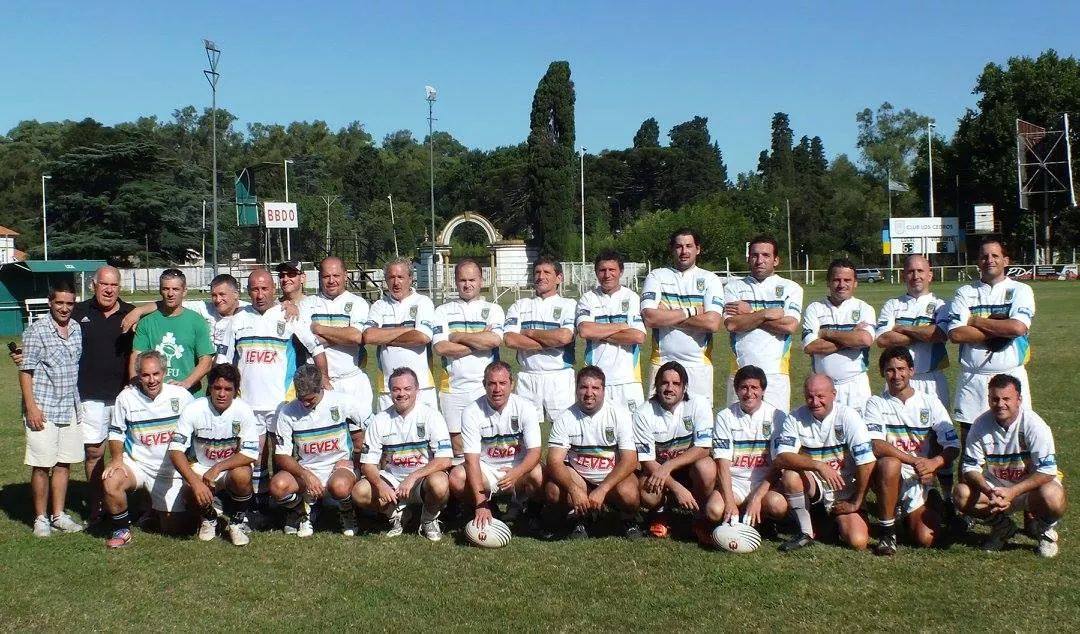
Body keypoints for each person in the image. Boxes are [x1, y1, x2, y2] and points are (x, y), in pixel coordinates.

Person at [10, 265, 135, 525]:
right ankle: (96, 507)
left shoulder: (131, 312)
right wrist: (21, 356)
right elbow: (37, 348)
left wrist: (142, 310)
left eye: (113, 285)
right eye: (103, 284)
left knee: (124, 453)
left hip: (122, 396)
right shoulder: (78, 313)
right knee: (92, 453)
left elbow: (164, 303)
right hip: (85, 398)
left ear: (119, 287)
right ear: (94, 285)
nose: (108, 289)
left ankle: (125, 503)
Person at [218, 269, 329, 494]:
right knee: (255, 457)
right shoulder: (237, 319)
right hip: (248, 402)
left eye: (264, 289)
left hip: (282, 402)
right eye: (254, 289)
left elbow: (315, 347)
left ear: (274, 289)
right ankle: (258, 504)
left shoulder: (287, 314)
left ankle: (283, 502)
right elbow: (223, 361)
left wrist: (324, 377)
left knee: (283, 456)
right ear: (247, 292)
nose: (260, 294)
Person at [953, 374, 1066, 558]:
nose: (1000, 404)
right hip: (996, 492)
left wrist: (1013, 492)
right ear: (988, 399)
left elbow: (1047, 471)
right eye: (995, 399)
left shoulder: (1034, 424)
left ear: (1019, 399)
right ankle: (1002, 527)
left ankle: (1045, 532)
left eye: (1006, 399)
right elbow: (969, 467)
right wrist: (990, 492)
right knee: (961, 493)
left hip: (1028, 490)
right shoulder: (979, 425)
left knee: (1053, 495)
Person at [864, 347, 959, 555]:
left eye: (901, 369)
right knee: (890, 463)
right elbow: (877, 445)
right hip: (892, 473)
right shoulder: (876, 403)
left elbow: (953, 446)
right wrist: (914, 461)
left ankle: (926, 504)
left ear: (912, 371)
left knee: (925, 538)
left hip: (920, 477)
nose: (896, 375)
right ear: (882, 373)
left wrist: (933, 464)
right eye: (890, 370)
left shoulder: (930, 402)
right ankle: (887, 533)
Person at [772, 374, 877, 552]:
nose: (815, 402)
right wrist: (819, 466)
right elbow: (781, 457)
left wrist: (857, 501)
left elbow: (866, 462)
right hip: (816, 490)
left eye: (821, 396)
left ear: (833, 394)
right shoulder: (795, 417)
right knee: (790, 475)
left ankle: (829, 521)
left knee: (858, 542)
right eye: (810, 396)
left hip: (844, 492)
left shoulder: (848, 416)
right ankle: (806, 532)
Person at [102, 351, 195, 548]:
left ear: (164, 372)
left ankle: (154, 511)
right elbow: (116, 432)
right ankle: (122, 529)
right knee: (111, 480)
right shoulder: (126, 397)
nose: (151, 380)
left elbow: (197, 428)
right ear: (138, 375)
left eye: (156, 374)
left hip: (170, 471)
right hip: (138, 464)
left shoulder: (181, 396)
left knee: (173, 529)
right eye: (145, 375)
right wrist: (117, 459)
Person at [353, 367, 453, 541]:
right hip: (393, 481)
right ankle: (397, 514)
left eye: (407, 389)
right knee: (359, 492)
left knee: (440, 483)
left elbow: (445, 460)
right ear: (389, 391)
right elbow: (367, 464)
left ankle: (428, 519)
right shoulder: (380, 420)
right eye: (396, 389)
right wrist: (380, 485)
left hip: (422, 479)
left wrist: (413, 477)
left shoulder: (431, 416)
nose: (401, 394)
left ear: (417, 390)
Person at [270, 365, 370, 538]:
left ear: (321, 387)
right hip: (307, 469)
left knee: (340, 486)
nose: (305, 404)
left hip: (338, 467)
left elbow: (375, 429)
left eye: (310, 399)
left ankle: (346, 512)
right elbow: (281, 455)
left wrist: (357, 460)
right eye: (301, 399)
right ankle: (303, 511)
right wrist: (305, 475)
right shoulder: (287, 412)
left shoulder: (342, 401)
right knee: (278, 487)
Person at [947, 239, 1035, 433]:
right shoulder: (964, 292)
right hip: (973, 379)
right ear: (978, 262)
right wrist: (1000, 330)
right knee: (970, 444)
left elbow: (1017, 328)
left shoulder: (1021, 290)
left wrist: (976, 321)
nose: (989, 260)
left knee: (1015, 444)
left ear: (1006, 260)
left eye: (995, 255)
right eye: (984, 256)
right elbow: (956, 334)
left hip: (1011, 376)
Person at [18, 282, 85, 536]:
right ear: (50, 302)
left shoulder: (77, 329)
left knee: (63, 464)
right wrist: (31, 407)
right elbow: (26, 371)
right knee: (41, 464)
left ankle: (58, 514)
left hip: (70, 407)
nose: (64, 308)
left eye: (69, 303)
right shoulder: (37, 330)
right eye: (60, 303)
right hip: (43, 407)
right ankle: (40, 518)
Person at [544, 366, 641, 539]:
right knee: (554, 490)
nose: (589, 393)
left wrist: (603, 489)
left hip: (611, 478)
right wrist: (574, 490)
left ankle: (627, 519)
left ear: (604, 390)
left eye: (595, 388)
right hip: (580, 478)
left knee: (630, 494)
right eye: (584, 387)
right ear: (576, 389)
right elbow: (554, 461)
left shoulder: (620, 415)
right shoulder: (565, 418)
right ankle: (580, 519)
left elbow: (630, 460)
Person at [168, 363, 259, 546]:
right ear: (209, 387)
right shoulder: (194, 409)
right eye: (217, 388)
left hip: (227, 468)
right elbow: (175, 450)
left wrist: (218, 467)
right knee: (188, 489)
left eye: (228, 389)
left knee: (242, 474)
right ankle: (209, 518)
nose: (222, 394)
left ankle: (236, 522)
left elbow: (250, 454)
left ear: (236, 391)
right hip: (201, 466)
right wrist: (195, 482)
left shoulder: (243, 410)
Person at [450, 361, 543, 529]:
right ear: (484, 385)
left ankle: (530, 512)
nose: (497, 389)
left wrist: (517, 472)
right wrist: (481, 502)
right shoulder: (472, 411)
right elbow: (471, 460)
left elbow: (535, 452)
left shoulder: (526, 407)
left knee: (537, 472)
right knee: (457, 477)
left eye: (502, 383)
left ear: (512, 384)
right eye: (491, 383)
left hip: (517, 468)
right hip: (487, 469)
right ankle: (487, 507)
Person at [640, 228, 724, 407]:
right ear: (672, 249)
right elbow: (650, 318)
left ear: (698, 249)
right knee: (659, 423)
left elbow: (713, 323)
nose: (684, 251)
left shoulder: (710, 279)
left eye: (689, 246)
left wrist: (668, 313)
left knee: (698, 426)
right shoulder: (656, 276)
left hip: (698, 366)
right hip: (661, 363)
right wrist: (692, 312)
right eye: (678, 246)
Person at [632, 361, 714, 539]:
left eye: (676, 384)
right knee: (647, 491)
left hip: (685, 469)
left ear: (684, 387)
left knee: (706, 468)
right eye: (664, 383)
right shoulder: (643, 413)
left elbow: (704, 448)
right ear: (656, 385)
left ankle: (700, 515)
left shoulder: (698, 403)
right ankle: (661, 512)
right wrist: (677, 488)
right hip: (659, 473)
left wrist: (669, 465)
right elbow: (646, 460)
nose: (670, 388)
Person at [432, 258, 505, 459]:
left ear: (481, 280)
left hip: (485, 387)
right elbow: (441, 347)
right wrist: (478, 341)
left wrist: (458, 337)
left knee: (488, 444)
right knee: (458, 447)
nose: (467, 284)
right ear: (455, 281)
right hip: (453, 389)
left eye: (472, 279)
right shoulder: (442, 311)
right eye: (462, 280)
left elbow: (494, 340)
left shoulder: (494, 309)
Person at [722, 235, 803, 411]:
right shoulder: (732, 288)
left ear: (776, 260)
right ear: (748, 258)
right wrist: (766, 314)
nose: (760, 260)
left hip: (776, 374)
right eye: (755, 255)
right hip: (740, 371)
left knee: (776, 431)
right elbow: (732, 325)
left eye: (766, 255)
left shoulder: (791, 288)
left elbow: (789, 326)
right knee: (737, 428)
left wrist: (749, 314)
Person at [706, 365, 788, 534]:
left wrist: (757, 497)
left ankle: (763, 519)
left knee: (778, 506)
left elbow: (778, 465)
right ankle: (738, 515)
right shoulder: (725, 416)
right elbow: (722, 463)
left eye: (754, 388)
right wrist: (729, 501)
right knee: (714, 510)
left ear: (763, 390)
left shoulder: (777, 416)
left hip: (763, 484)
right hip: (735, 484)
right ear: (736, 390)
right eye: (744, 387)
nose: (749, 393)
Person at [503, 256, 578, 422]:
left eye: (547, 272)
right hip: (527, 376)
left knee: (563, 431)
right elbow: (510, 340)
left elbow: (564, 337)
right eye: (537, 272)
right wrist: (551, 341)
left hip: (559, 377)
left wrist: (528, 333)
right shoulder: (520, 305)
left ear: (559, 278)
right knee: (526, 432)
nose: (541, 276)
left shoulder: (569, 305)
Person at [801, 258, 876, 415]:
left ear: (855, 282)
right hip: (823, 389)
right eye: (836, 280)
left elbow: (864, 340)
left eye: (847, 280)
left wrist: (827, 333)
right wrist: (851, 338)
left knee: (859, 435)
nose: (842, 285)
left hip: (856, 386)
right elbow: (810, 346)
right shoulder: (815, 308)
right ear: (828, 282)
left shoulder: (864, 309)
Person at [364, 258, 438, 410]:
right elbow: (369, 336)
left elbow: (422, 337)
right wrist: (407, 330)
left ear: (410, 278)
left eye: (400, 277)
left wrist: (384, 337)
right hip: (387, 388)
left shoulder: (423, 302)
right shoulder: (379, 305)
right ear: (385, 280)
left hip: (422, 387)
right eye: (391, 277)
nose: (396, 282)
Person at [874, 255, 951, 404]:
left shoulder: (942, 304)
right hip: (898, 378)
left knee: (935, 426)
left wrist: (902, 328)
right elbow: (883, 339)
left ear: (929, 275)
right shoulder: (892, 304)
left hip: (931, 378)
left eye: (920, 271)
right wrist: (925, 333)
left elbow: (940, 334)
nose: (916, 276)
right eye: (910, 271)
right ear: (903, 275)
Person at [576, 250, 647, 410]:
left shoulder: (632, 298)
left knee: (631, 432)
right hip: (597, 381)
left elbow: (638, 336)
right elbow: (585, 331)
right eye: (602, 270)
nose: (607, 275)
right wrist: (621, 326)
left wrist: (599, 333)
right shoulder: (588, 298)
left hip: (628, 380)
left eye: (612, 270)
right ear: (596, 272)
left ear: (620, 272)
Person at [301, 256, 374, 412]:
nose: (331, 280)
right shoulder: (307, 304)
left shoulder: (358, 303)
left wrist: (319, 329)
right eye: (326, 276)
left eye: (336, 276)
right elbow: (305, 340)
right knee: (324, 435)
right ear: (320, 278)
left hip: (351, 379)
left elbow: (356, 337)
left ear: (345, 275)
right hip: (318, 383)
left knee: (358, 434)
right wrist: (342, 334)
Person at [129, 269, 215, 396]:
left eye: (175, 289)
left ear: (184, 291)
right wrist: (135, 386)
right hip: (155, 395)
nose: (170, 293)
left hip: (188, 395)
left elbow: (206, 361)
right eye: (165, 289)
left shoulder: (197, 321)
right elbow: (136, 356)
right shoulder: (146, 322)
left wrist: (186, 383)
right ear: (160, 290)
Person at [123, 273, 248, 358]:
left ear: (236, 294)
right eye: (214, 295)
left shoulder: (248, 311)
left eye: (222, 294)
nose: (217, 299)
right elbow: (168, 303)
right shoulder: (206, 308)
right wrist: (138, 312)